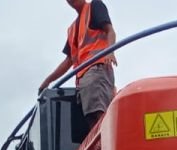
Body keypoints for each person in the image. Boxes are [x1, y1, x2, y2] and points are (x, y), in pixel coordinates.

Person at [39, 0, 118, 133]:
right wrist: (47, 81)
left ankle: (105, 140)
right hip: (82, 79)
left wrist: (110, 52)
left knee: (99, 112)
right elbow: (68, 61)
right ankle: (99, 142)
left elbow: (110, 30)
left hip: (96, 68)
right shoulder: (72, 30)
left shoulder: (94, 6)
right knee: (90, 118)